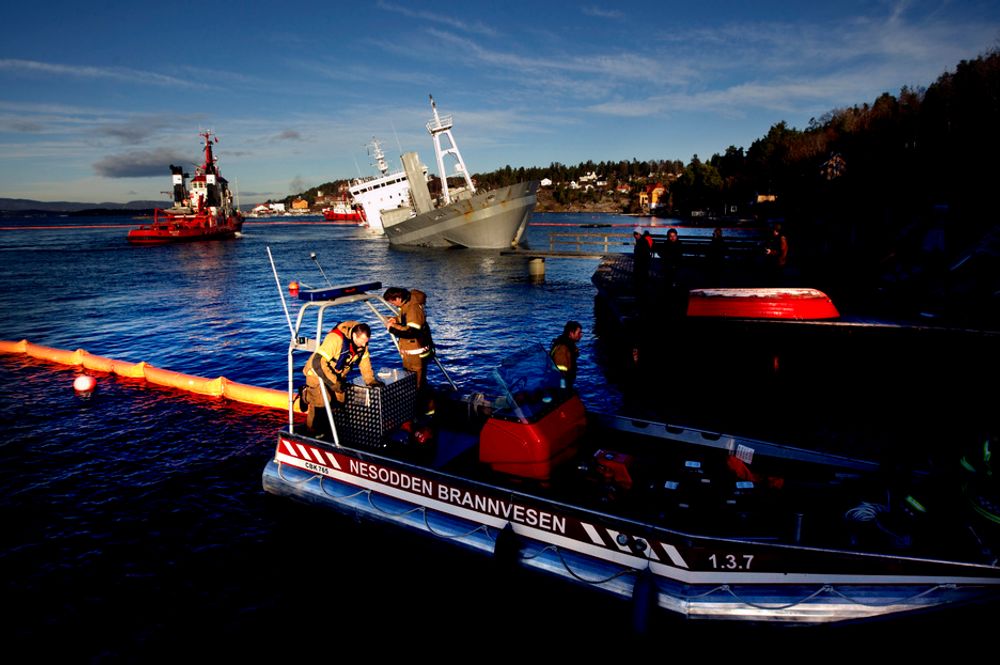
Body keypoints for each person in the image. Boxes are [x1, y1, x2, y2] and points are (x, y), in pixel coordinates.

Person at [302, 320, 380, 434]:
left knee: (340, 400)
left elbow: (364, 361)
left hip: (337, 374)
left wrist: (370, 381)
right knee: (321, 404)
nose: (364, 345)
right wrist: (334, 383)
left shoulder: (362, 343)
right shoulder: (335, 339)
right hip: (317, 373)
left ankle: (333, 428)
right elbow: (318, 363)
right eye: (362, 341)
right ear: (354, 335)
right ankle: (313, 431)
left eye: (366, 342)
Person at [383, 287, 434, 390]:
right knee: (413, 379)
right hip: (411, 352)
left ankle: (421, 402)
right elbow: (406, 319)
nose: (392, 305)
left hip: (416, 352)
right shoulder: (407, 304)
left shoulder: (412, 308)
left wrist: (392, 329)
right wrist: (395, 319)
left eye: (392, 302)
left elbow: (411, 332)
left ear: (398, 298)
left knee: (418, 383)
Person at [550, 320, 583, 390]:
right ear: (571, 333)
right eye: (579, 333)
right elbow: (561, 373)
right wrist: (564, 389)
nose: (581, 335)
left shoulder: (568, 345)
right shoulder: (563, 349)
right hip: (561, 385)